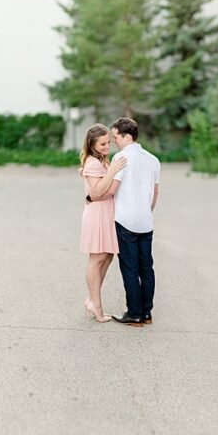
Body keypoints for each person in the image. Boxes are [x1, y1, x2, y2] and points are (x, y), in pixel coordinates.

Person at [107, 117, 160, 327]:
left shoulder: (121, 158)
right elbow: (155, 192)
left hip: (125, 220)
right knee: (146, 268)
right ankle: (146, 313)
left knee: (129, 268)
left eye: (116, 137)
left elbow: (112, 189)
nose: (114, 142)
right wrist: (146, 210)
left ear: (127, 136)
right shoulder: (153, 159)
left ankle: (134, 313)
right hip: (146, 221)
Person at [78, 124, 127, 322]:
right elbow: (96, 193)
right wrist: (113, 170)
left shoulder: (101, 160)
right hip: (97, 214)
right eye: (103, 143)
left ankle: (93, 299)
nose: (107, 146)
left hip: (106, 212)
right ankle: (95, 304)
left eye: (108, 142)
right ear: (92, 144)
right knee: (97, 258)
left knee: (107, 256)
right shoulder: (92, 163)